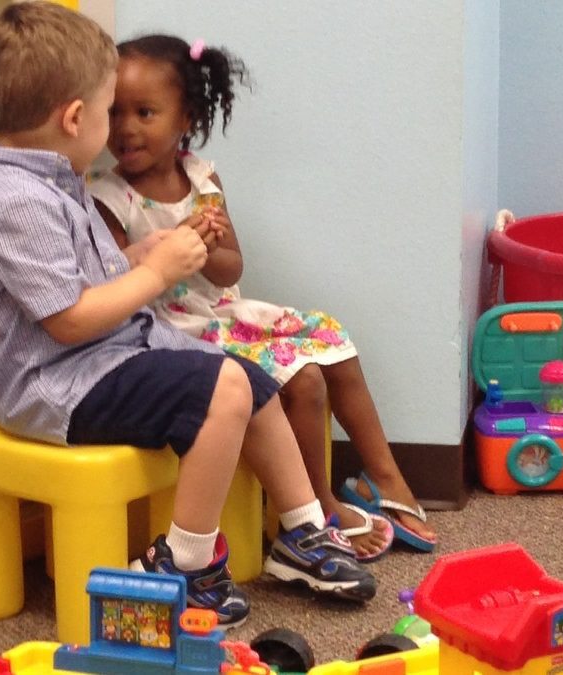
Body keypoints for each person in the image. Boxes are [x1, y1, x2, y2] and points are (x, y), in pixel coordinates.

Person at [0, 1, 376, 629]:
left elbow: (88, 279)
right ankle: (185, 563)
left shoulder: (52, 181)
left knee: (251, 382)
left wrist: (144, 253)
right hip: (59, 385)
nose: (115, 129)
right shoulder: (14, 201)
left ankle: (302, 532)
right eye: (107, 109)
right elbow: (67, 320)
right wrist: (156, 273)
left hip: (103, 357)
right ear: (74, 118)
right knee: (221, 386)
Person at [89, 34, 437, 555]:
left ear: (185, 118)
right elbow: (122, 285)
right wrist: (165, 252)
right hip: (171, 329)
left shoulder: (202, 178)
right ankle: (316, 511)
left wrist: (207, 243)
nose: (126, 128)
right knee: (305, 379)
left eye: (144, 112)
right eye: (115, 113)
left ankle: (385, 478)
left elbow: (233, 266)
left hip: (222, 309)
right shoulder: (107, 195)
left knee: (331, 343)